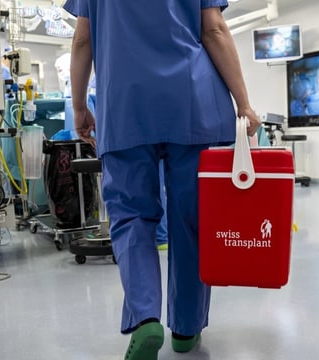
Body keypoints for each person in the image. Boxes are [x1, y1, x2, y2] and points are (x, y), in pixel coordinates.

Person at [63, 1, 261, 359]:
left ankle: (146, 319)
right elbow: (213, 29)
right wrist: (243, 103)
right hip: (194, 103)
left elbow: (82, 41)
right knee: (191, 221)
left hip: (125, 105)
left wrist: (79, 106)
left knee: (131, 216)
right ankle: (186, 329)